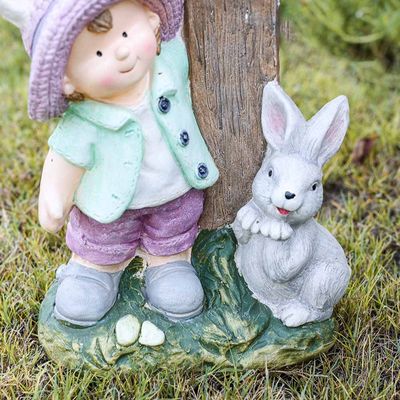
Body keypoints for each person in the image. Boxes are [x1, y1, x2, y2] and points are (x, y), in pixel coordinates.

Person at [0, 0, 219, 326]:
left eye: (127, 33)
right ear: (67, 80)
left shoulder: (169, 64)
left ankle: (169, 260)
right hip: (109, 213)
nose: (121, 53)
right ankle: (95, 270)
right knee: (103, 240)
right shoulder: (84, 121)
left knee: (173, 229)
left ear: (151, 20)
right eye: (98, 54)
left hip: (175, 196)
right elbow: (65, 157)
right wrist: (54, 201)